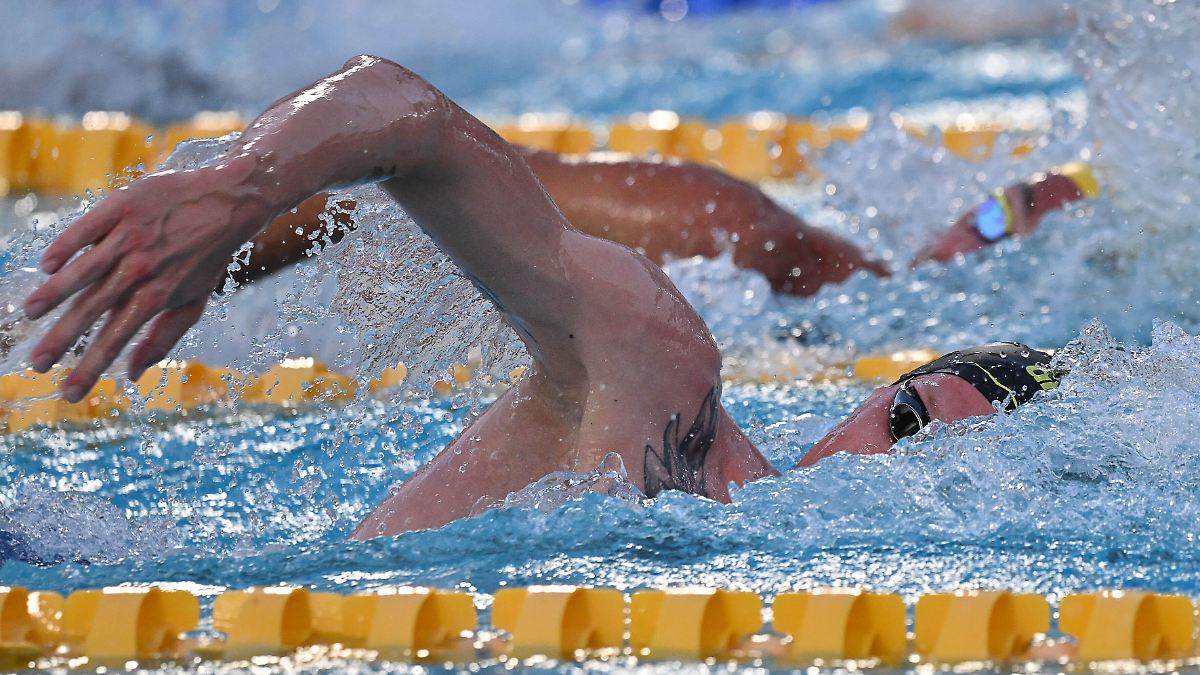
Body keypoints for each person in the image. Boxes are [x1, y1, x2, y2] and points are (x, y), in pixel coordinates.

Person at [20, 57, 1064, 538]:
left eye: (948, 478)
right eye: (912, 422)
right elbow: (404, 110)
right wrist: (235, 191)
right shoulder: (664, 376)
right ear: (865, 401)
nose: (902, 477)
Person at [236, 140, 1098, 296]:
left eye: (996, 225)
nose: (969, 219)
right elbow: (390, 168)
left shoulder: (787, 254)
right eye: (986, 205)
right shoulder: (752, 232)